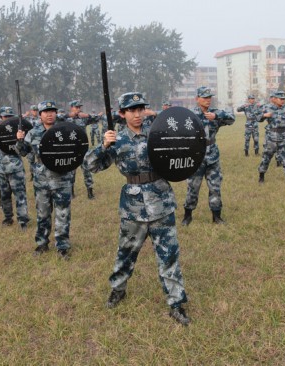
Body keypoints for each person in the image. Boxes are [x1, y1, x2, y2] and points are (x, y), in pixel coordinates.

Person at [84, 92, 191, 326]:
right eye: (131, 110)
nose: (137, 114)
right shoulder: (117, 140)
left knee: (169, 254)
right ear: (122, 114)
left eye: (140, 109)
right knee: (126, 252)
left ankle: (176, 302)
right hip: (133, 207)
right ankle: (118, 289)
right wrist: (103, 145)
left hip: (161, 201)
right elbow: (90, 166)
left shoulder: (158, 135)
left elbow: (182, 148)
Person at [17, 101, 73, 260]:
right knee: (43, 213)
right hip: (41, 180)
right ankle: (42, 243)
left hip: (62, 178)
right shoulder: (33, 133)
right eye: (45, 111)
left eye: (52, 111)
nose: (49, 114)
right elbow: (23, 152)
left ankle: (62, 246)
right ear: (39, 114)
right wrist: (20, 141)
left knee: (63, 214)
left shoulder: (65, 130)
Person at [181, 87, 235, 226]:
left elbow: (232, 119)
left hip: (213, 156)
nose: (207, 100)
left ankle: (216, 217)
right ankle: (187, 216)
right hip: (195, 156)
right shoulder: (189, 114)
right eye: (204, 97)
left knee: (215, 187)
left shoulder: (215, 113)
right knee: (193, 187)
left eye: (209, 97)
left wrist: (216, 117)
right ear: (197, 98)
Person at [0, 106, 30, 228]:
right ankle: (8, 218)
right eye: (5, 117)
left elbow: (23, 151)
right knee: (4, 196)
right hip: (1, 170)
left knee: (20, 195)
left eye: (10, 117)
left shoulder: (19, 131)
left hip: (16, 169)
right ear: (1, 117)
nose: (7, 119)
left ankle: (23, 221)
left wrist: (20, 139)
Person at [257, 91, 285, 184]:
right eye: (281, 99)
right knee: (266, 157)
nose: (282, 101)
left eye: (284, 99)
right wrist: (264, 115)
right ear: (274, 99)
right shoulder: (267, 107)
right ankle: (261, 176)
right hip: (271, 137)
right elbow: (257, 118)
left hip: (282, 136)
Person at [64, 100, 100, 199]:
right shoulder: (66, 119)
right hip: (71, 150)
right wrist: (68, 115)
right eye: (76, 107)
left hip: (83, 149)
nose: (78, 109)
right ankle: (71, 192)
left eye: (79, 107)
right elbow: (56, 118)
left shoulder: (83, 119)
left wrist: (87, 115)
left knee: (87, 171)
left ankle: (90, 193)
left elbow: (97, 118)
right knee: (71, 172)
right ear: (71, 108)